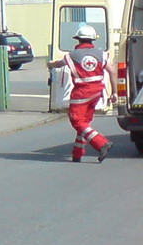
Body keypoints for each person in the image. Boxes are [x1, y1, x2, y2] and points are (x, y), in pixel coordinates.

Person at [47, 24, 115, 163]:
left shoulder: (72, 56)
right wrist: (114, 92)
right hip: (97, 93)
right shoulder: (102, 54)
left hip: (81, 94)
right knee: (84, 123)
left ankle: (101, 143)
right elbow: (112, 72)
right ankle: (77, 153)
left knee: (77, 121)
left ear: (78, 39)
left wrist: (50, 64)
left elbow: (59, 64)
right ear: (92, 40)